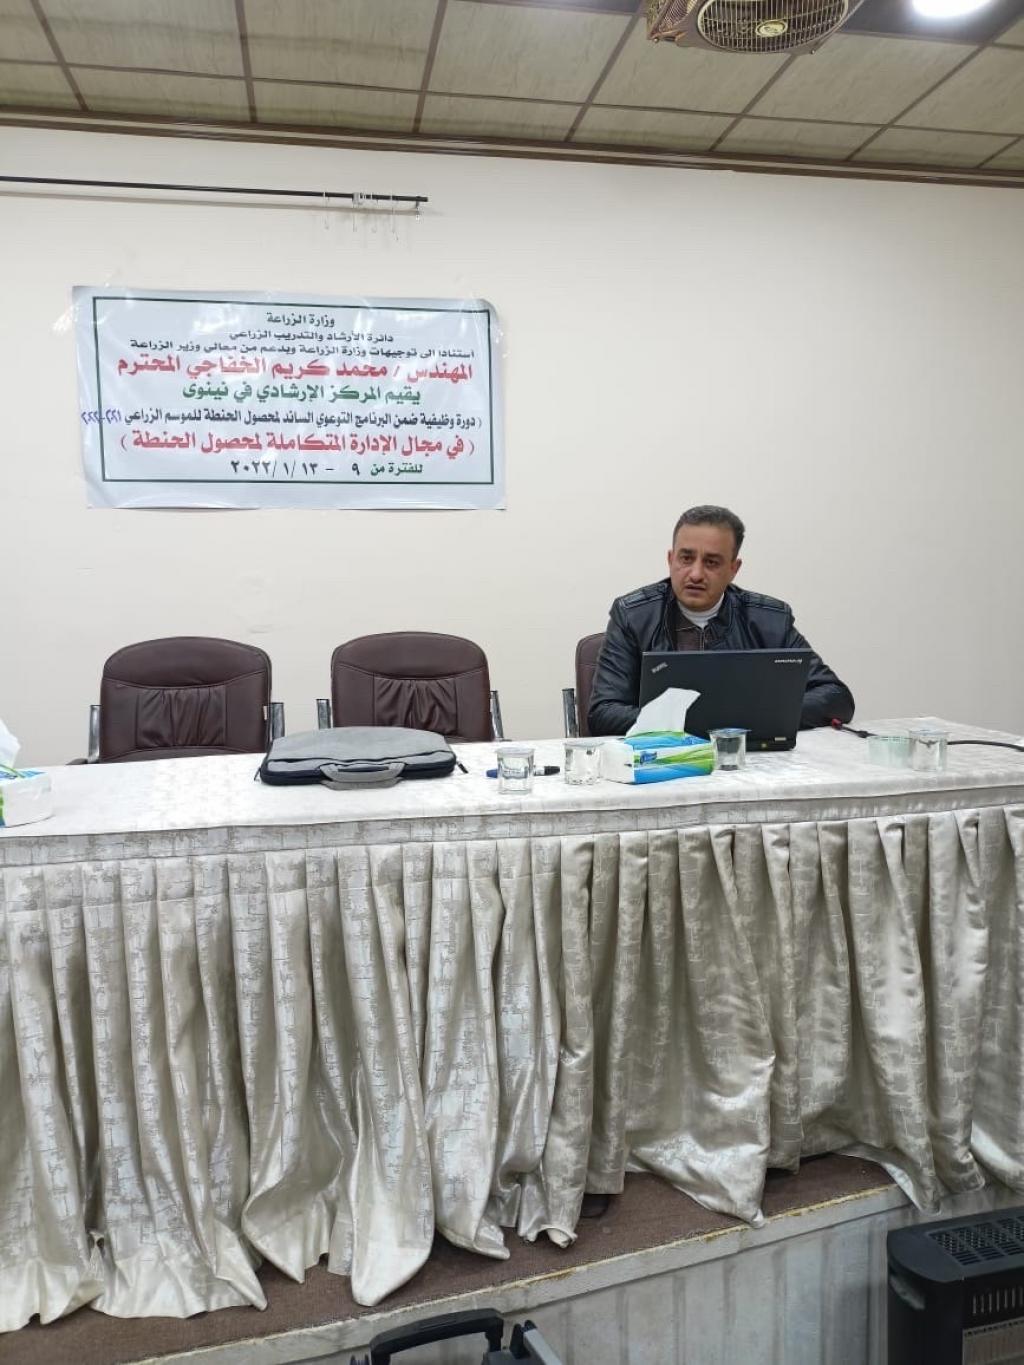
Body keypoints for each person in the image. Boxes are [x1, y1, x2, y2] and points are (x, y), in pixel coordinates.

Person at [587, 504, 854, 736]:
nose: (695, 574)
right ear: (670, 559)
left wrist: (749, 719)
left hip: (749, 762)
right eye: (686, 558)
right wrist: (709, 721)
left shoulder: (770, 621)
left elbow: (836, 698)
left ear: (733, 569)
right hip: (663, 762)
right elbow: (603, 713)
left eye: (712, 562)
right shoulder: (633, 616)